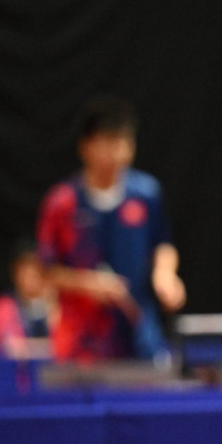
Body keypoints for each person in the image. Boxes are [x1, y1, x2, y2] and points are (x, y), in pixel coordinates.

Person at [36, 96, 185, 364]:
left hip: (139, 336)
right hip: (80, 345)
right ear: (85, 146)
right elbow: (45, 271)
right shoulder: (62, 203)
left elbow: (162, 243)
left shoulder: (146, 194)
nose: (117, 152)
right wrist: (89, 284)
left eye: (124, 142)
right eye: (107, 142)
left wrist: (165, 274)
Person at [0, 241, 54, 359]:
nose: (30, 278)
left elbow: (65, 344)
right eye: (25, 272)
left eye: (36, 271)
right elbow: (10, 346)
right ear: (15, 274)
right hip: (13, 369)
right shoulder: (4, 306)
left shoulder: (57, 305)